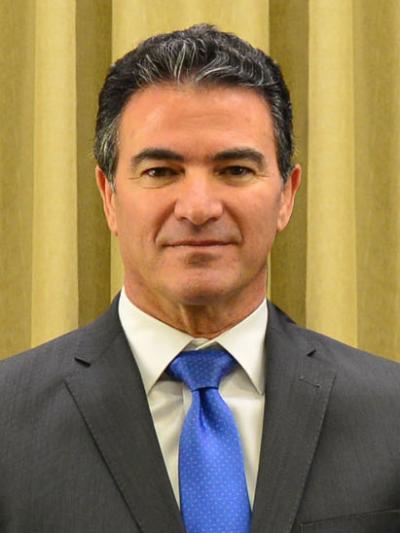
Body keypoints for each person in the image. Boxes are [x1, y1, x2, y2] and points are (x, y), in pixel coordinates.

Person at [1, 24, 400, 533]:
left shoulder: (390, 414)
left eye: (235, 170)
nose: (198, 208)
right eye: (160, 172)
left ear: (286, 195)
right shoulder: (8, 420)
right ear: (108, 197)